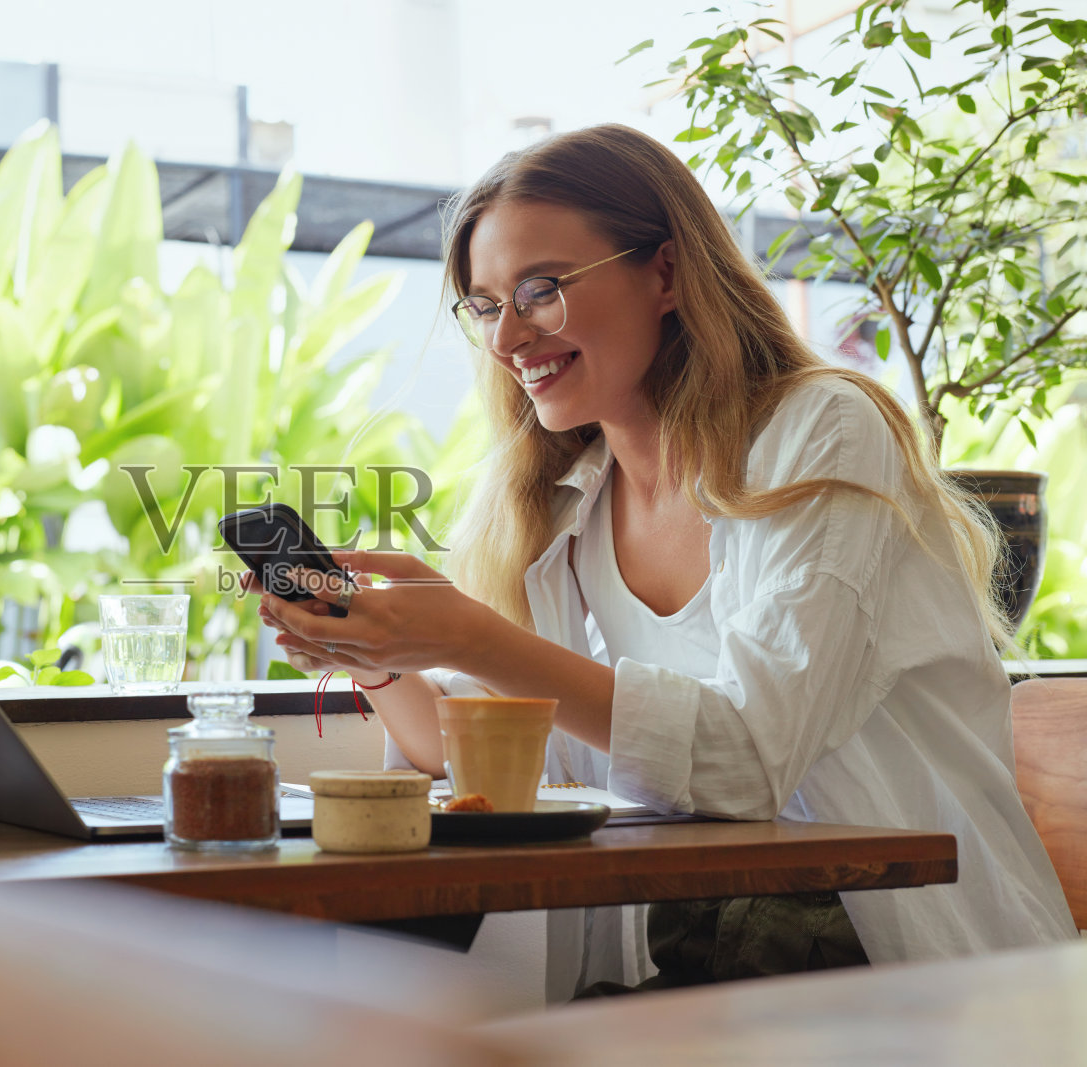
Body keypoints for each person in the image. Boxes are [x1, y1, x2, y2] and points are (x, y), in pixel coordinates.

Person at [248, 124, 1076, 996]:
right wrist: (378, 654)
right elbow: (520, 763)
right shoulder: (569, 503)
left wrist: (476, 636)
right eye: (487, 305)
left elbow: (751, 761)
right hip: (690, 955)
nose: (507, 340)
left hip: (884, 953)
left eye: (541, 289)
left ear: (667, 273)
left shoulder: (820, 431)